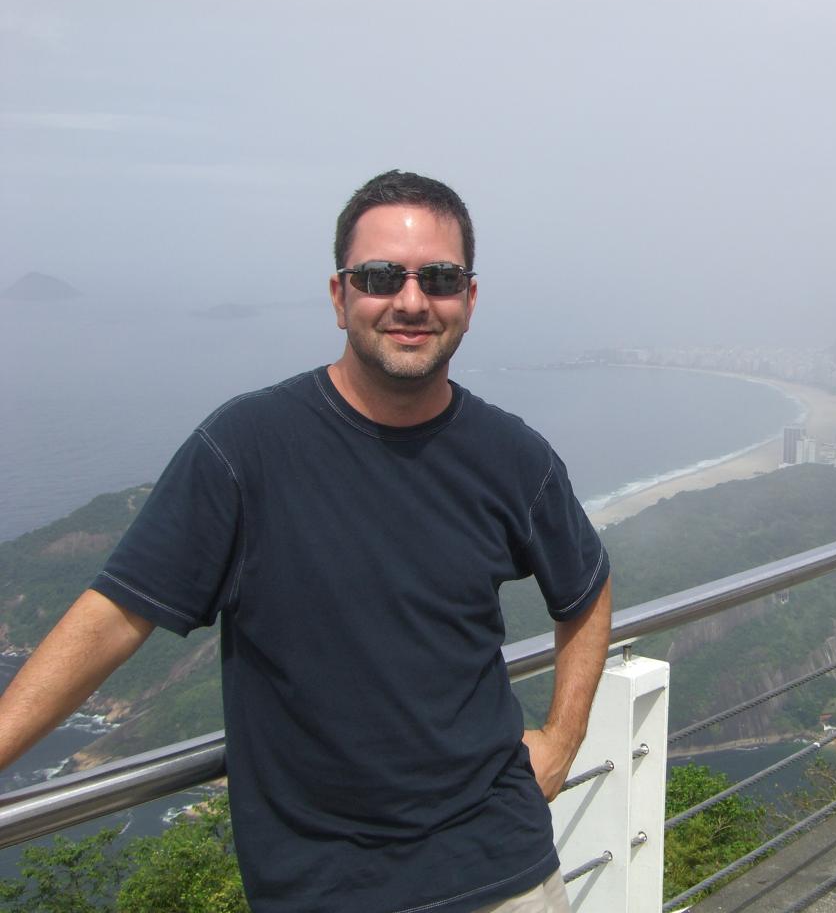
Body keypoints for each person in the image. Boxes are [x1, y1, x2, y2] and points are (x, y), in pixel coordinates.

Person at [0, 170, 613, 913]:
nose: (412, 300)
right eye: (382, 276)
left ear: (470, 300)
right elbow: (114, 615)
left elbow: (585, 586)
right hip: (322, 888)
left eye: (441, 278)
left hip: (500, 871)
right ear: (339, 295)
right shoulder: (246, 448)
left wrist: (562, 736)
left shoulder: (513, 456)